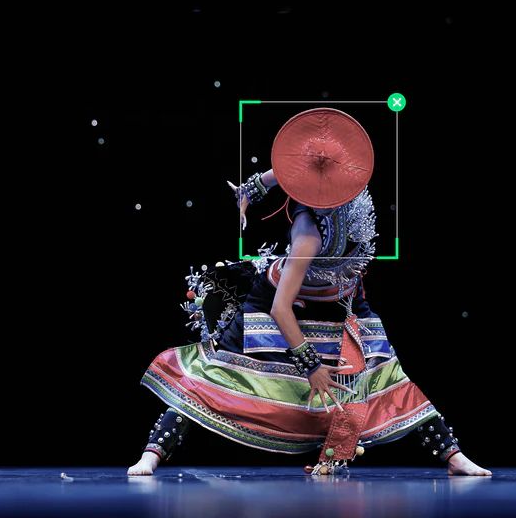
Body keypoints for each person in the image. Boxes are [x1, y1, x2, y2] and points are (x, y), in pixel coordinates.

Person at [128, 108, 491, 477]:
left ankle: (453, 456)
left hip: (345, 297)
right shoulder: (308, 234)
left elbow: (275, 176)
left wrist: (248, 192)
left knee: (388, 371)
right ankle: (153, 453)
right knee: (215, 373)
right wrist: (312, 367)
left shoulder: (347, 176)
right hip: (282, 300)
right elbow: (280, 308)